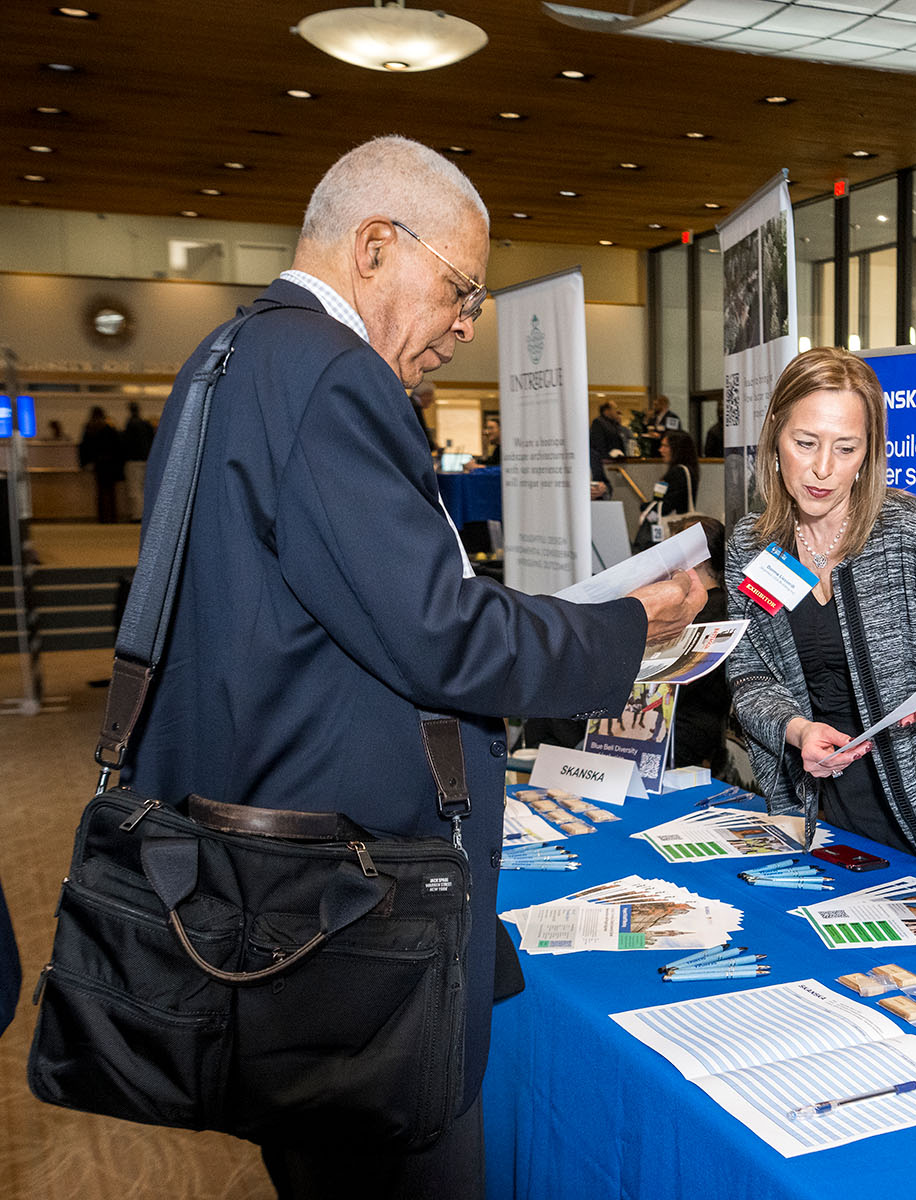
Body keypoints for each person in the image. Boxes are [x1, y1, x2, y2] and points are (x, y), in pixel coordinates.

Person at [122, 135, 703, 1198]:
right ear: (377, 246)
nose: (467, 323)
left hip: (262, 884)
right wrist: (630, 626)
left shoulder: (223, 359)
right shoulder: (328, 375)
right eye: (460, 288)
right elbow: (439, 634)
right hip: (348, 926)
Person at [725, 348, 916, 880]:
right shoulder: (752, 545)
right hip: (817, 812)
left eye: (846, 448)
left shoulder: (910, 535)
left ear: (869, 452)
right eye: (805, 443)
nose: (823, 469)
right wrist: (795, 729)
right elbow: (748, 674)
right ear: (774, 435)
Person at [665, 513, 732, 775]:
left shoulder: (715, 611)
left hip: (687, 727)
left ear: (698, 558)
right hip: (675, 720)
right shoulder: (696, 607)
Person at [77, 406, 124, 523]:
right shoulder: (110, 428)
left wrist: (84, 463)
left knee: (101, 491)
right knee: (111, 492)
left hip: (98, 464)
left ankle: (102, 517)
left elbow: (83, 447)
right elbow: (118, 447)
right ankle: (112, 516)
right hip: (110, 464)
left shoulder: (90, 429)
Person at [120, 401, 156, 520]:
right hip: (147, 459)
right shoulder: (146, 424)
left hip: (134, 460)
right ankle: (147, 513)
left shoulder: (130, 425)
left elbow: (126, 444)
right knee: (145, 489)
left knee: (135, 490)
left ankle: (138, 515)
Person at [658, 429, 700, 516]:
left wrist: (645, 506)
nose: (661, 450)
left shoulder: (678, 473)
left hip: (674, 524)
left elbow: (666, 506)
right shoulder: (688, 470)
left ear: (677, 449)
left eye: (665, 446)